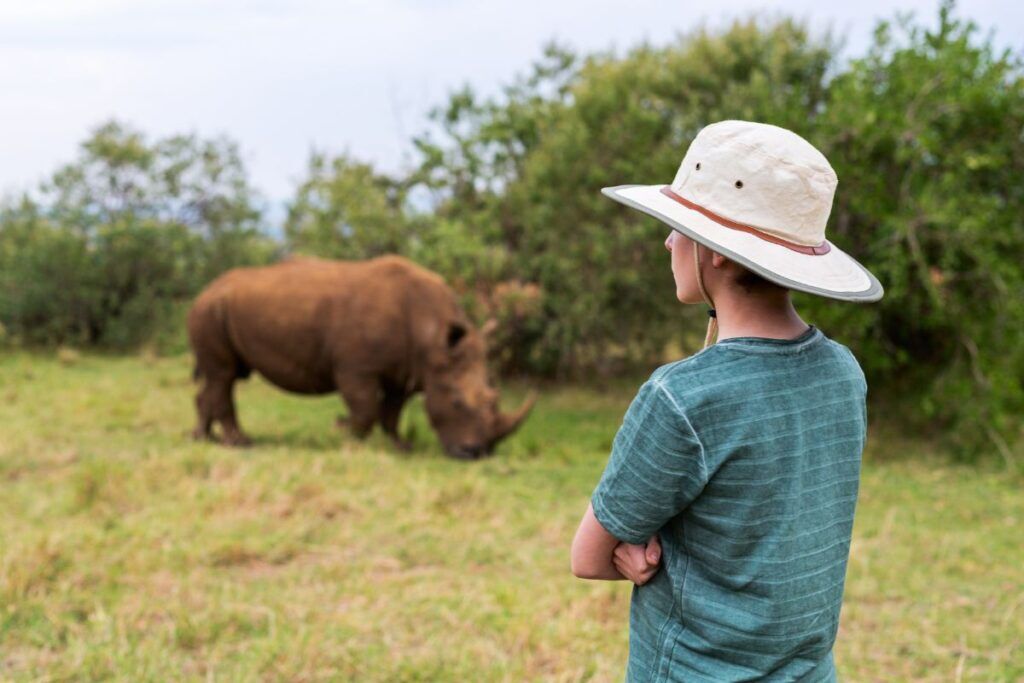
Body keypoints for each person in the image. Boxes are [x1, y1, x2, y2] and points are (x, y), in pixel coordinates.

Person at [570, 120, 884, 682]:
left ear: (719, 254)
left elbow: (588, 556)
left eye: (678, 227)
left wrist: (634, 550)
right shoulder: (844, 373)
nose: (668, 241)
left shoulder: (683, 397)